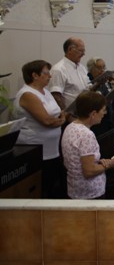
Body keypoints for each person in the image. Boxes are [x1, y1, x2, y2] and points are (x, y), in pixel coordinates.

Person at [13, 60, 67, 198]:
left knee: (53, 184)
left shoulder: (46, 92)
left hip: (52, 149)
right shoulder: (28, 94)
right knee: (42, 187)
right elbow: (46, 121)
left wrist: (60, 118)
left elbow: (58, 113)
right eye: (46, 73)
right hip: (36, 149)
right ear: (35, 75)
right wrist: (61, 120)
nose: (50, 76)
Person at [61, 91, 114, 199]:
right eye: (103, 110)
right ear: (93, 114)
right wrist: (111, 163)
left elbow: (79, 160)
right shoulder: (86, 135)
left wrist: (101, 163)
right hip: (90, 193)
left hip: (75, 189)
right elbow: (89, 171)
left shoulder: (70, 127)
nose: (104, 113)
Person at [49, 37, 91, 109]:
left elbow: (88, 86)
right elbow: (56, 95)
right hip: (70, 113)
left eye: (84, 51)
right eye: (81, 50)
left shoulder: (82, 68)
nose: (83, 54)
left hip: (84, 111)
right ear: (70, 50)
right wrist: (66, 113)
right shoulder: (58, 69)